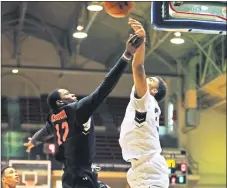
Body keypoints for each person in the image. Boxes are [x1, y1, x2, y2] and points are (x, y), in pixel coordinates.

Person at [24, 34, 144, 188]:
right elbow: (105, 86)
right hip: (80, 174)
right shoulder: (77, 109)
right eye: (67, 94)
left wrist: (33, 141)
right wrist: (127, 55)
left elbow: (43, 132)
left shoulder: (53, 119)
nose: (72, 94)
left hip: (71, 174)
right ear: (60, 102)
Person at [119, 18, 169, 188]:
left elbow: (138, 67)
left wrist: (142, 39)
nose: (147, 79)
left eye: (151, 80)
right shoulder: (148, 103)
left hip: (149, 168)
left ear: (153, 91)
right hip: (144, 167)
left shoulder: (146, 99)